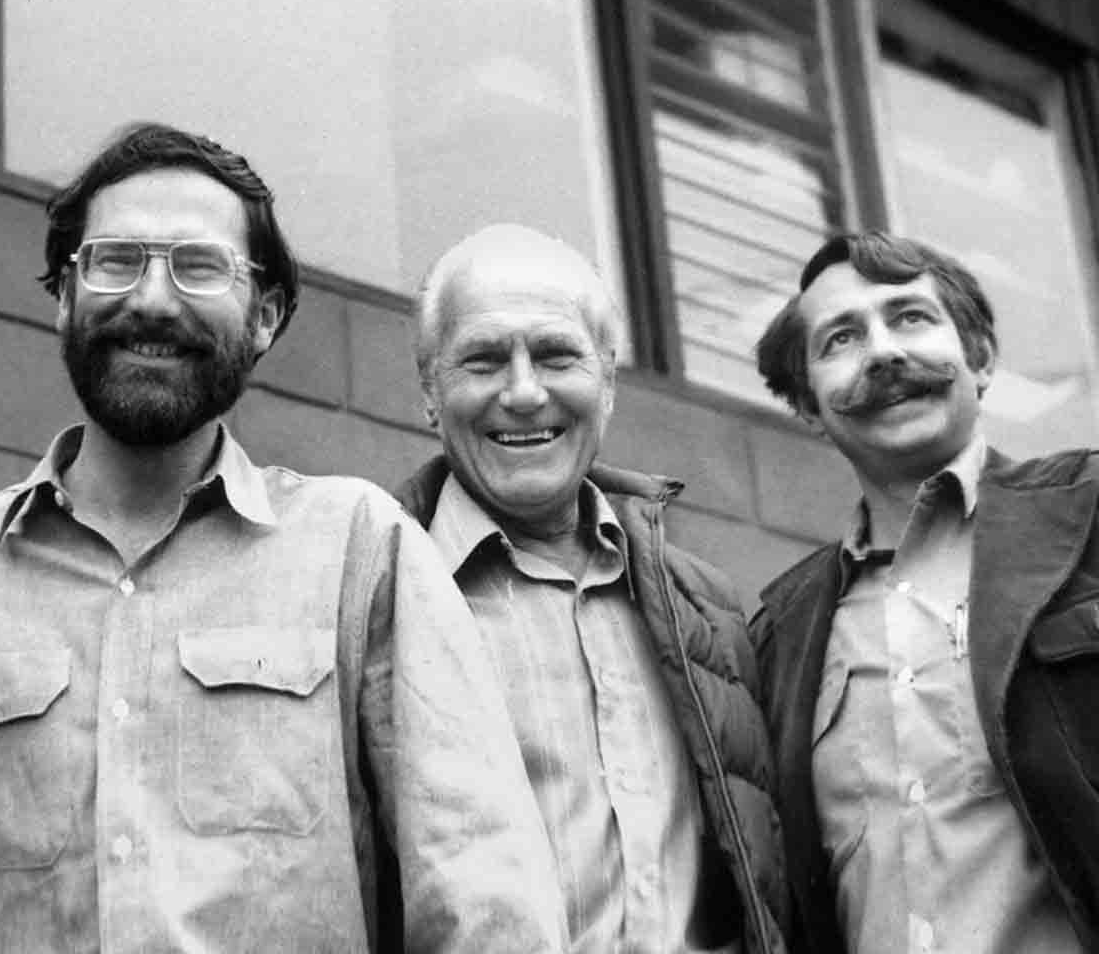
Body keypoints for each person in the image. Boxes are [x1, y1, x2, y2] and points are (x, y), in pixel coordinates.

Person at [0, 123, 561, 952]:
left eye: (200, 266)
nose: (151, 298)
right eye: (116, 260)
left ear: (264, 316)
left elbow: (485, 903)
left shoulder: (358, 550)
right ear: (64, 295)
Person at [395, 224, 788, 952]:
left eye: (556, 355)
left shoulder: (707, 611)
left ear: (607, 385)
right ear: (429, 392)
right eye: (483, 360)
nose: (523, 392)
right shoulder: (373, 596)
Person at [751, 230, 1099, 952]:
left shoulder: (1091, 514)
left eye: (910, 317)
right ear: (810, 407)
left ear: (981, 359)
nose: (882, 352)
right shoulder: (777, 640)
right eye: (841, 339)